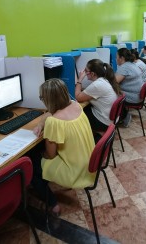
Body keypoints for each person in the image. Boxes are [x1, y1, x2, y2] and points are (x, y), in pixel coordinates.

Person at [31, 78, 95, 216]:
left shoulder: (54, 122)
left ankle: (53, 204)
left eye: (42, 97)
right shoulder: (75, 105)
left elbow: (51, 155)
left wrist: (41, 153)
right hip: (89, 162)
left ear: (48, 99)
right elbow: (50, 113)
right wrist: (41, 124)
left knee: (33, 166)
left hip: (75, 171)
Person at [75, 59, 121, 133]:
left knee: (76, 116)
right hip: (113, 118)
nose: (84, 72)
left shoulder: (97, 85)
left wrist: (79, 79)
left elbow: (78, 97)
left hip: (104, 122)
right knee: (86, 107)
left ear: (92, 74)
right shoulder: (104, 80)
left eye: (86, 71)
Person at [115, 48, 144, 127]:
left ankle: (123, 117)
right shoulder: (132, 64)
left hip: (134, 98)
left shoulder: (125, 67)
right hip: (139, 96)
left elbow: (114, 83)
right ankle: (122, 115)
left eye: (116, 57)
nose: (115, 59)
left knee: (111, 94)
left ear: (122, 58)